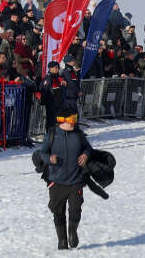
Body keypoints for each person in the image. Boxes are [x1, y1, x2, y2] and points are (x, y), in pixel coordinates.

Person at [32, 106, 93, 250]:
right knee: (58, 212)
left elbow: (88, 148)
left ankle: (72, 231)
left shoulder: (78, 134)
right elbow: (42, 153)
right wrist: (49, 158)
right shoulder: (52, 134)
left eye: (75, 119)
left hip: (75, 180)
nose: (74, 122)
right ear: (62, 121)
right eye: (72, 119)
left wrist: (86, 155)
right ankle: (62, 240)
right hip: (56, 181)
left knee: (75, 209)